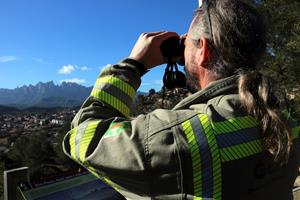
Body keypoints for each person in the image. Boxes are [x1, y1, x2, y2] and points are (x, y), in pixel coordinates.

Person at [63, 0, 300, 199]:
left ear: (204, 50)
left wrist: (133, 65)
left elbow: (83, 138)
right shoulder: (284, 120)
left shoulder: (176, 139)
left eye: (187, 43)